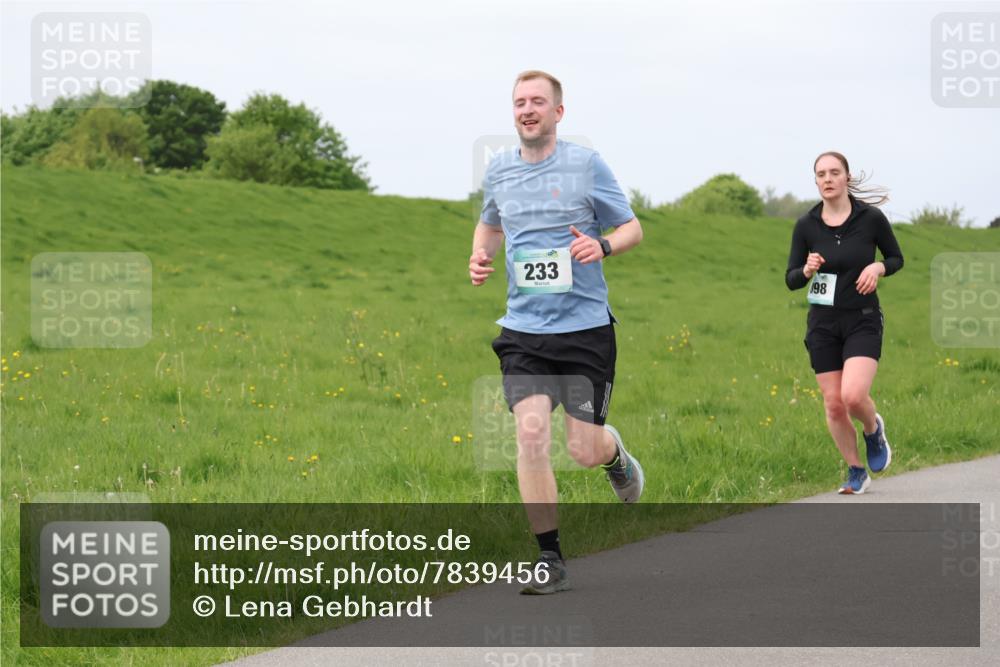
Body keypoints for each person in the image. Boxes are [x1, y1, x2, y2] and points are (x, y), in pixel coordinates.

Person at [469, 70, 645, 594]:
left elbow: (631, 227)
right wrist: (480, 256)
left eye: (538, 102)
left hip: (585, 330)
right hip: (523, 330)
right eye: (520, 102)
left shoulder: (585, 165)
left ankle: (613, 454)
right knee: (528, 434)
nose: (527, 109)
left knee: (583, 450)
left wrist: (604, 246)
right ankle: (550, 558)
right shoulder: (499, 171)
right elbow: (492, 224)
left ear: (557, 112)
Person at [785, 151, 903, 495]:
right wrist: (805, 271)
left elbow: (896, 257)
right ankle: (855, 470)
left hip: (862, 319)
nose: (827, 179)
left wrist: (877, 267)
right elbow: (791, 278)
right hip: (822, 323)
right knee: (833, 403)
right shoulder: (807, 225)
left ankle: (872, 429)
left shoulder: (871, 219)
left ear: (846, 177)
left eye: (834, 172)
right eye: (821, 174)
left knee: (853, 396)